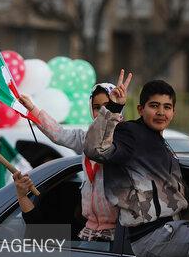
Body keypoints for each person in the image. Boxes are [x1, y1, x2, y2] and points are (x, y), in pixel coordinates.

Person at [84, 79, 189, 257]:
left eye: (167, 107)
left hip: (172, 231)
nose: (161, 112)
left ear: (173, 112)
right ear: (140, 109)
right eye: (154, 106)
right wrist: (114, 108)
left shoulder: (161, 143)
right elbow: (95, 149)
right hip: (151, 236)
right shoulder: (129, 133)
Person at [12, 70, 132, 242]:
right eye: (97, 107)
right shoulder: (86, 138)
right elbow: (59, 134)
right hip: (90, 229)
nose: (102, 112)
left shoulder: (125, 141)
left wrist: (114, 109)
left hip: (118, 233)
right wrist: (33, 109)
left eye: (107, 106)